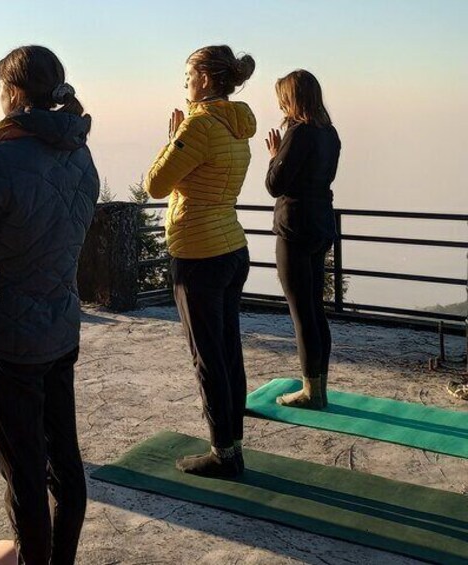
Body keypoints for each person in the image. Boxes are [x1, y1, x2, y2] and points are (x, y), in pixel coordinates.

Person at [0, 46, 99, 564]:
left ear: (11, 93)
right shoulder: (81, 152)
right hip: (61, 323)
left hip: (8, 330)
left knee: (23, 471)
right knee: (64, 462)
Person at [145, 45, 256, 478]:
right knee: (228, 350)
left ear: (206, 79)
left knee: (207, 355)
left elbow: (156, 184)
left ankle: (223, 454)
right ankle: (234, 443)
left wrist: (174, 137)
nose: (185, 84)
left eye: (188, 76)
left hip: (198, 251)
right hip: (231, 245)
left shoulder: (201, 126)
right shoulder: (236, 124)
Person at [265, 70, 341, 409]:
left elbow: (274, 185)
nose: (280, 104)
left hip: (295, 227)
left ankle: (311, 392)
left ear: (292, 98)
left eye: (283, 98)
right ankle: (319, 385)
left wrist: (274, 155)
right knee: (315, 308)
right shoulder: (329, 133)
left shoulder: (299, 132)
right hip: (321, 222)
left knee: (302, 313)